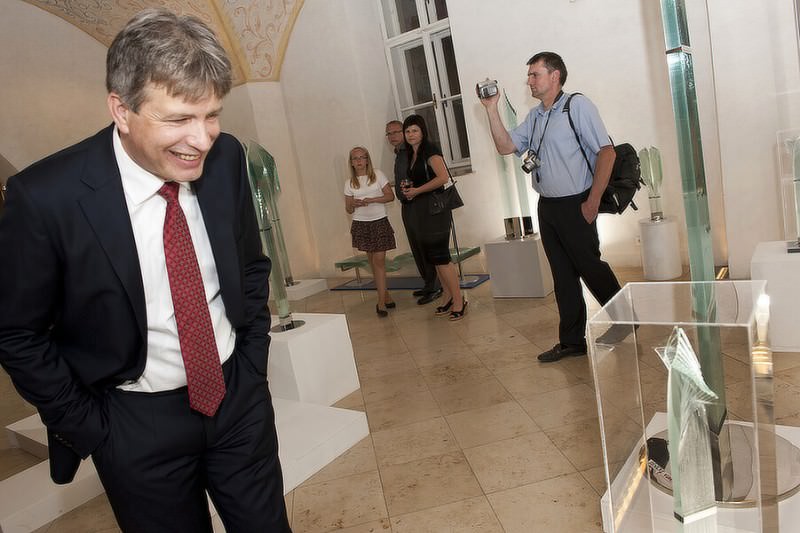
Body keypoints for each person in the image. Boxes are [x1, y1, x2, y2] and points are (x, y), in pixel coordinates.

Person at [0, 8, 291, 532]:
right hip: (134, 425)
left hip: (237, 401)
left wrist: (251, 368)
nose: (202, 139)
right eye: (178, 119)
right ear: (121, 109)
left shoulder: (227, 159)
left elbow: (251, 267)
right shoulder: (46, 197)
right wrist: (93, 427)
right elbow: (17, 332)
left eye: (211, 115)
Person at [479, 51, 621, 362]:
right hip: (548, 206)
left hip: (577, 203)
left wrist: (592, 202)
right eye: (529, 75)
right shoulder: (536, 117)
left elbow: (607, 152)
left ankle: (625, 320)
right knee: (562, 274)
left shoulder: (577, 106)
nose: (529, 81)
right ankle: (572, 341)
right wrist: (491, 109)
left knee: (590, 266)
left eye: (535, 74)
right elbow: (505, 146)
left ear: (554, 76)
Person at [400, 114, 467, 321]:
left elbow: (443, 178)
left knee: (441, 258)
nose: (411, 134)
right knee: (434, 258)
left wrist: (417, 190)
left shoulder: (430, 150)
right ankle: (447, 297)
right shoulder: (412, 153)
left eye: (415, 130)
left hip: (436, 210)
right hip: (423, 210)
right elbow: (423, 179)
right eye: (407, 131)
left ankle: (459, 300)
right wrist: (410, 188)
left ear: (423, 132)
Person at [385, 120, 442, 305]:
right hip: (408, 205)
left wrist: (413, 191)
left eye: (396, 132)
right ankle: (428, 284)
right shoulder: (400, 153)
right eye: (389, 133)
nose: (392, 136)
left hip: (419, 204)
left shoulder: (412, 152)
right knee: (416, 246)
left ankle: (435, 286)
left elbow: (432, 177)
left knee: (425, 247)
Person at [344, 146, 396, 316]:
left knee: (379, 260)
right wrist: (354, 204)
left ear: (367, 160)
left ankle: (380, 303)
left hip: (379, 221)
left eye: (362, 157)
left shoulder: (378, 175)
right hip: (361, 224)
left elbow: (390, 196)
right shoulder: (349, 183)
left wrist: (373, 200)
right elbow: (348, 209)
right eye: (355, 158)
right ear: (351, 163)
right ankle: (385, 295)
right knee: (373, 263)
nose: (359, 161)